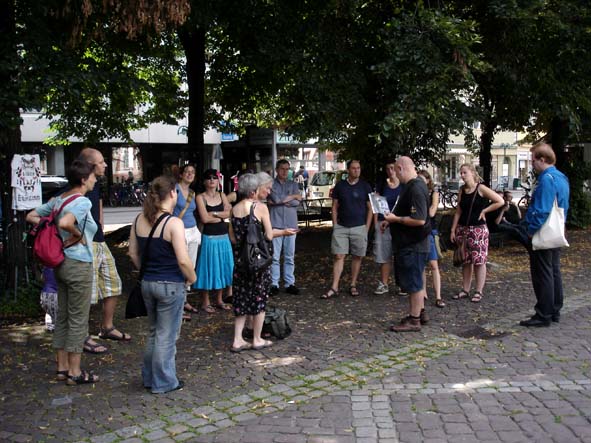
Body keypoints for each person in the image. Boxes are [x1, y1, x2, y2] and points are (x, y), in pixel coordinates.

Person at [26, 160, 99, 384]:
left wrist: (55, 234)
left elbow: (31, 216)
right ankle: (75, 372)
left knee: (63, 317)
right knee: (78, 319)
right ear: (84, 179)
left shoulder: (59, 200)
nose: (96, 179)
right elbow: (68, 222)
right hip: (78, 264)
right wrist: (75, 234)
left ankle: (61, 367)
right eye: (93, 176)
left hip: (59, 264)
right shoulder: (82, 202)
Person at [128, 176, 197, 393]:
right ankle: (164, 382)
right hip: (170, 284)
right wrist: (193, 278)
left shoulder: (139, 219)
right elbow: (184, 260)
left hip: (147, 283)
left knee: (154, 332)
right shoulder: (173, 223)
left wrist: (145, 270)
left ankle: (149, 378)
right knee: (167, 336)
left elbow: (132, 253)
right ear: (173, 194)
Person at [229, 173, 297, 352]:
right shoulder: (260, 208)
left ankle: (237, 340)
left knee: (241, 300)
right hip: (258, 262)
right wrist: (283, 233)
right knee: (259, 299)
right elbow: (268, 235)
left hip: (240, 262)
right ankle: (256, 338)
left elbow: (233, 238)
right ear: (253, 191)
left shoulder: (234, 209)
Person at [78, 148, 128, 355]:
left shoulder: (95, 183)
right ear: (90, 165)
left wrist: (100, 231)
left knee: (113, 284)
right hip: (85, 244)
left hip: (100, 241)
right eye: (101, 162)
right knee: (85, 293)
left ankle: (106, 327)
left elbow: (97, 210)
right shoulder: (79, 185)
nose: (106, 165)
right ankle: (80, 336)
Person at [519, 142, 569, 327]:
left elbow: (541, 209)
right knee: (554, 271)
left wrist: (531, 230)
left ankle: (543, 313)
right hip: (556, 230)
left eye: (533, 161)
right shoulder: (561, 177)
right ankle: (554, 309)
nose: (532, 165)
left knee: (543, 273)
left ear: (542, 159)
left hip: (544, 231)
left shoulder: (547, 179)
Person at [384, 157, 430, 332]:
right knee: (414, 280)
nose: (395, 174)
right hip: (411, 243)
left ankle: (414, 319)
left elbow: (419, 220)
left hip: (414, 244)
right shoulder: (414, 185)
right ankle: (419, 313)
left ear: (401, 168)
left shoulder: (416, 187)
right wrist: (390, 222)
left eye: (396, 171)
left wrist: (396, 219)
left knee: (414, 282)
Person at [450, 164, 504, 303]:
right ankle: (465, 289)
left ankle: (479, 291)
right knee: (466, 261)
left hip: (478, 230)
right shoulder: (462, 190)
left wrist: (485, 211)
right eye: (460, 172)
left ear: (472, 173)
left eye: (464, 172)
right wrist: (453, 229)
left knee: (479, 261)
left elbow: (500, 201)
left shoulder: (481, 188)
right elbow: (458, 211)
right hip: (464, 229)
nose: (462, 175)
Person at [321, 160, 373, 299]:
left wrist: (367, 228)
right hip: (342, 227)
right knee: (339, 256)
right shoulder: (340, 186)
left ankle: (353, 284)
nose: (357, 170)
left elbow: (370, 208)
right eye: (354, 168)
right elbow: (334, 206)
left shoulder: (365, 186)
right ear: (348, 170)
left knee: (357, 256)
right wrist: (335, 225)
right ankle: (335, 286)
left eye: (358, 168)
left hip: (359, 227)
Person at [194, 169, 234, 313]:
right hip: (209, 238)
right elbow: (204, 219)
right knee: (207, 268)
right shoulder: (200, 197)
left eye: (214, 178)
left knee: (223, 268)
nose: (212, 180)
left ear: (218, 181)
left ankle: (219, 299)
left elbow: (230, 213)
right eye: (208, 178)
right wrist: (222, 216)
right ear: (204, 181)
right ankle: (205, 302)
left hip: (223, 237)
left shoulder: (222, 195)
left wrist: (215, 214)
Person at [267, 159, 302, 296]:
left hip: (291, 224)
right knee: (275, 257)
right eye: (282, 169)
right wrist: (292, 198)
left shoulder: (293, 184)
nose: (285, 172)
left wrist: (292, 197)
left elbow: (297, 202)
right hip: (275, 224)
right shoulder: (271, 184)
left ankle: (289, 283)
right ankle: (274, 284)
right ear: (277, 169)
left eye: (287, 169)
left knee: (289, 256)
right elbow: (275, 199)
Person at [172, 164, 200, 317]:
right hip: (179, 231)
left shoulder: (192, 193)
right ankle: (177, 302)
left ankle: (184, 300)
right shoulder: (174, 190)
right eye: (187, 172)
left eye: (192, 172)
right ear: (181, 175)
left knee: (191, 266)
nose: (190, 174)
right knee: (179, 265)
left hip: (193, 231)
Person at [373, 160, 402, 295]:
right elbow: (375, 206)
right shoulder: (382, 185)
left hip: (399, 222)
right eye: (387, 168)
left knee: (401, 254)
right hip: (383, 222)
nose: (390, 171)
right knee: (384, 254)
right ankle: (384, 283)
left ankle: (403, 283)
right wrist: (375, 223)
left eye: (392, 168)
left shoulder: (403, 185)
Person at [418, 170, 444, 308]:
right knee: (421, 265)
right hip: (419, 232)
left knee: (433, 265)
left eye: (423, 180)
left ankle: (438, 296)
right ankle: (423, 291)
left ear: (428, 181)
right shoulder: (416, 194)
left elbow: (432, 211)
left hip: (430, 231)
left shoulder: (433, 193)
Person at [40, 267, 58, 332]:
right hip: (54, 294)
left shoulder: (46, 267)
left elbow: (42, 279)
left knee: (48, 310)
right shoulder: (60, 269)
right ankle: (56, 327)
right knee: (57, 311)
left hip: (44, 293)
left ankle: (49, 326)